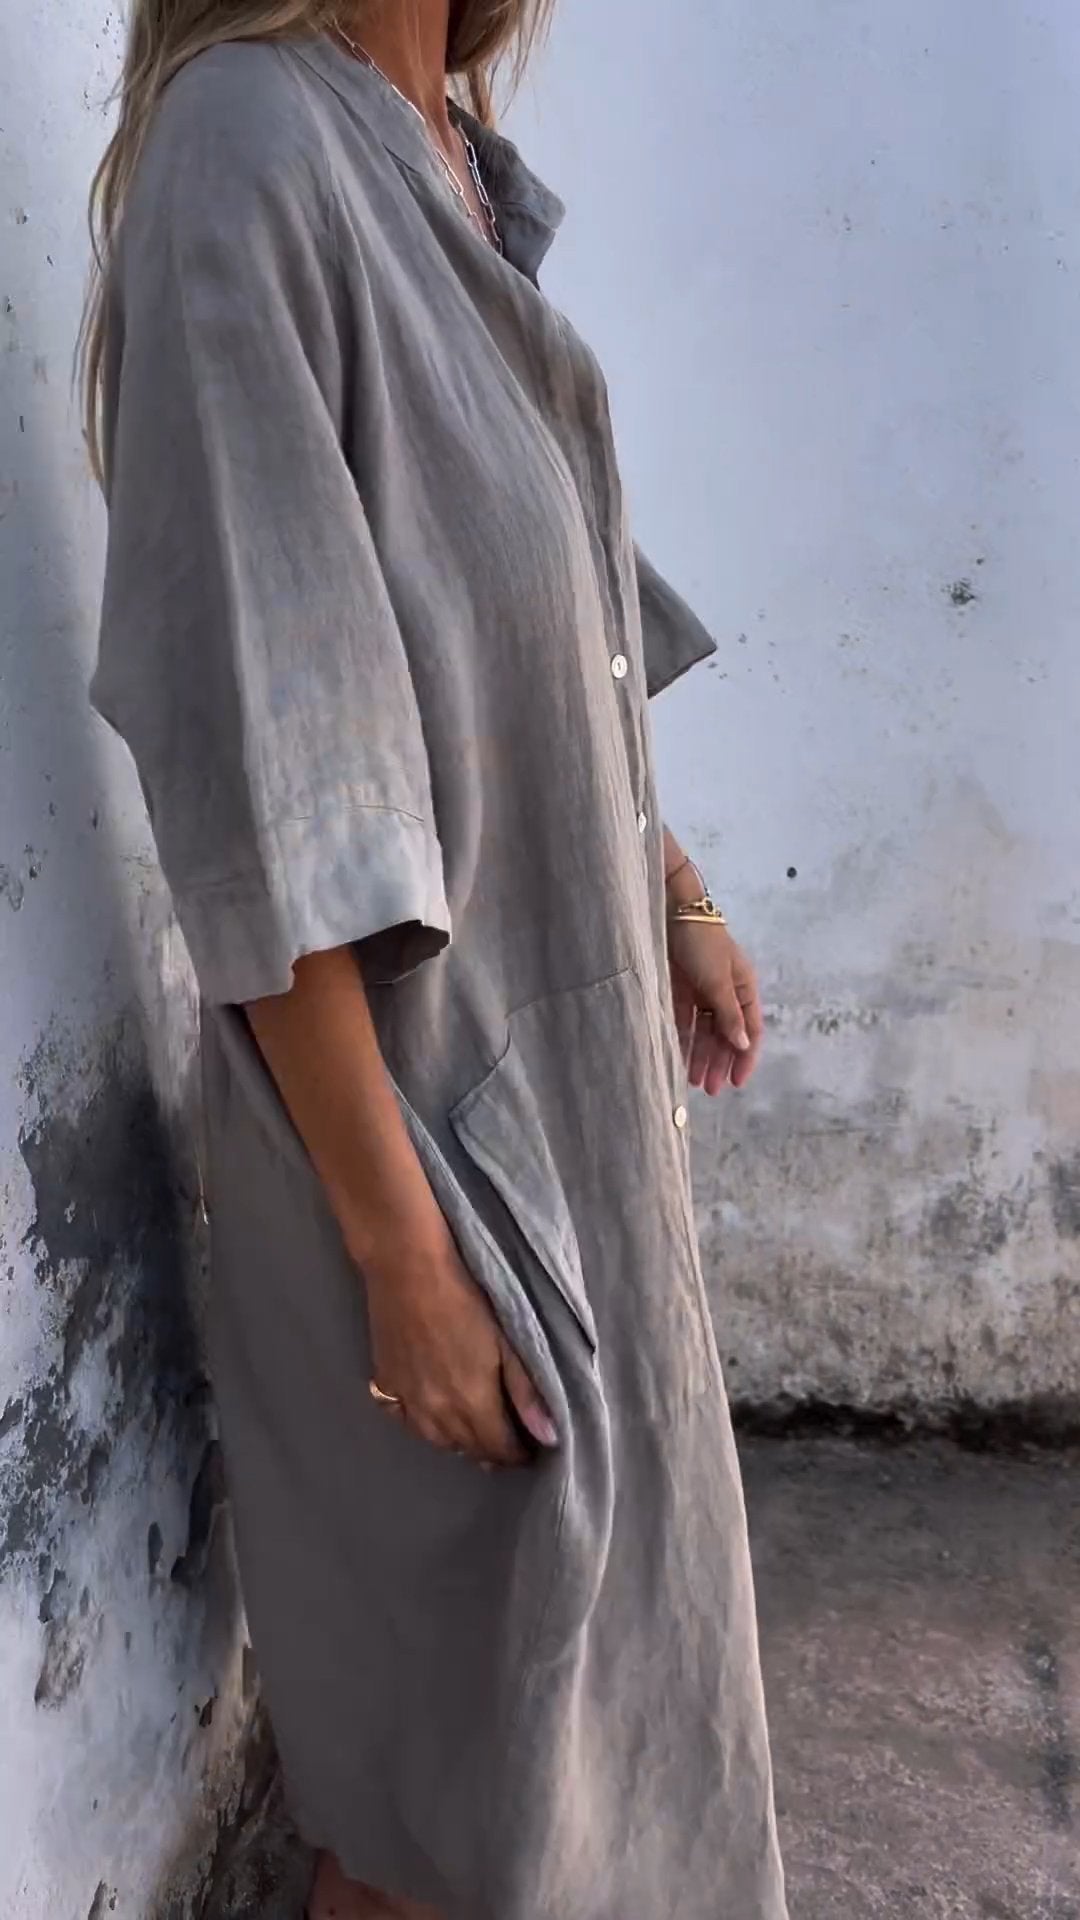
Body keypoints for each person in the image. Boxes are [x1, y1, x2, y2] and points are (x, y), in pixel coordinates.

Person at [84, 3, 787, 1916]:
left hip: (561, 1115)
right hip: (410, 1145)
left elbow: (526, 614)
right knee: (448, 1817)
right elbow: (265, 768)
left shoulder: (446, 157)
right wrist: (402, 1256)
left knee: (588, 1755)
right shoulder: (251, 154)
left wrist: (667, 882)